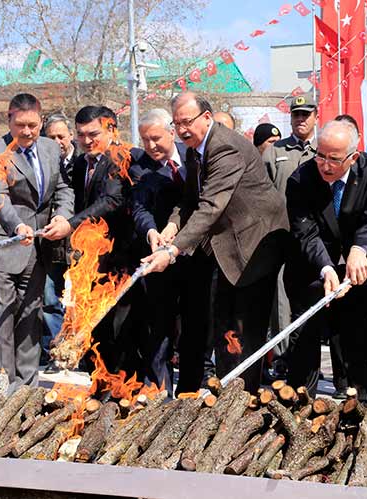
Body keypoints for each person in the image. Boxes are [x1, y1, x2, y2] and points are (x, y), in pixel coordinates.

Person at [142, 92, 289, 394]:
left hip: (254, 244)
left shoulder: (224, 147)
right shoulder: (196, 149)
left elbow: (210, 206)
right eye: (177, 122)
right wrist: (172, 225)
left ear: (206, 117)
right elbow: (189, 201)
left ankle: (243, 401)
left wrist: (172, 250)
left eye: (187, 121)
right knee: (223, 323)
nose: (182, 129)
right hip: (226, 247)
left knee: (244, 328)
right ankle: (226, 394)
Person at [284, 120, 367, 400]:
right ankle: (300, 402)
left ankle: (361, 400)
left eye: (334, 159)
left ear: (353, 157)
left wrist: (360, 249)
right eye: (320, 155)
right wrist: (325, 267)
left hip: (356, 262)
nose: (325, 165)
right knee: (306, 333)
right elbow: (306, 232)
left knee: (358, 331)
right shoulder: (300, 179)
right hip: (311, 264)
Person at [0, 93, 73, 388]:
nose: (27, 131)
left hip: (39, 249)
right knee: (1, 323)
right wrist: (17, 225)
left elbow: (63, 189)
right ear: (9, 120)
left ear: (41, 121)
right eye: (20, 125)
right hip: (5, 248)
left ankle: (27, 388)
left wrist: (62, 217)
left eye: (33, 125)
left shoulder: (49, 148)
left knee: (31, 320)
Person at [42, 105, 145, 376]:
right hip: (89, 259)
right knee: (93, 326)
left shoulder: (121, 157)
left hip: (120, 257)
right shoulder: (79, 162)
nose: (86, 141)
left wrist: (71, 224)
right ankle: (99, 383)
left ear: (111, 129)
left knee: (119, 327)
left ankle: (122, 385)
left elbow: (112, 200)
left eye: (93, 134)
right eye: (80, 135)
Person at [131, 108, 190, 391]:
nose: (151, 146)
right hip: (158, 254)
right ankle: (160, 388)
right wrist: (151, 231)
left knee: (193, 324)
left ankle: (191, 389)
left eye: (156, 138)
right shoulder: (139, 167)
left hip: (195, 252)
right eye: (145, 140)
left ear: (171, 131)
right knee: (158, 324)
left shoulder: (194, 156)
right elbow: (139, 207)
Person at [261, 95, 319, 380]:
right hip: (284, 238)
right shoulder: (274, 152)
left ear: (315, 117)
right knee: (282, 303)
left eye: (306, 114)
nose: (301, 119)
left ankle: (315, 365)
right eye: (296, 114)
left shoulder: (324, 150)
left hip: (319, 239)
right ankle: (284, 358)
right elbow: (261, 194)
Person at [41, 112, 78, 373]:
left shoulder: (84, 162)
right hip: (52, 248)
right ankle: (55, 353)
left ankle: (78, 352)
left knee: (77, 303)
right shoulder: (42, 162)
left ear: (70, 136)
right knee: (50, 302)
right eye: (51, 137)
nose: (57, 142)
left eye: (61, 136)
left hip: (80, 248)